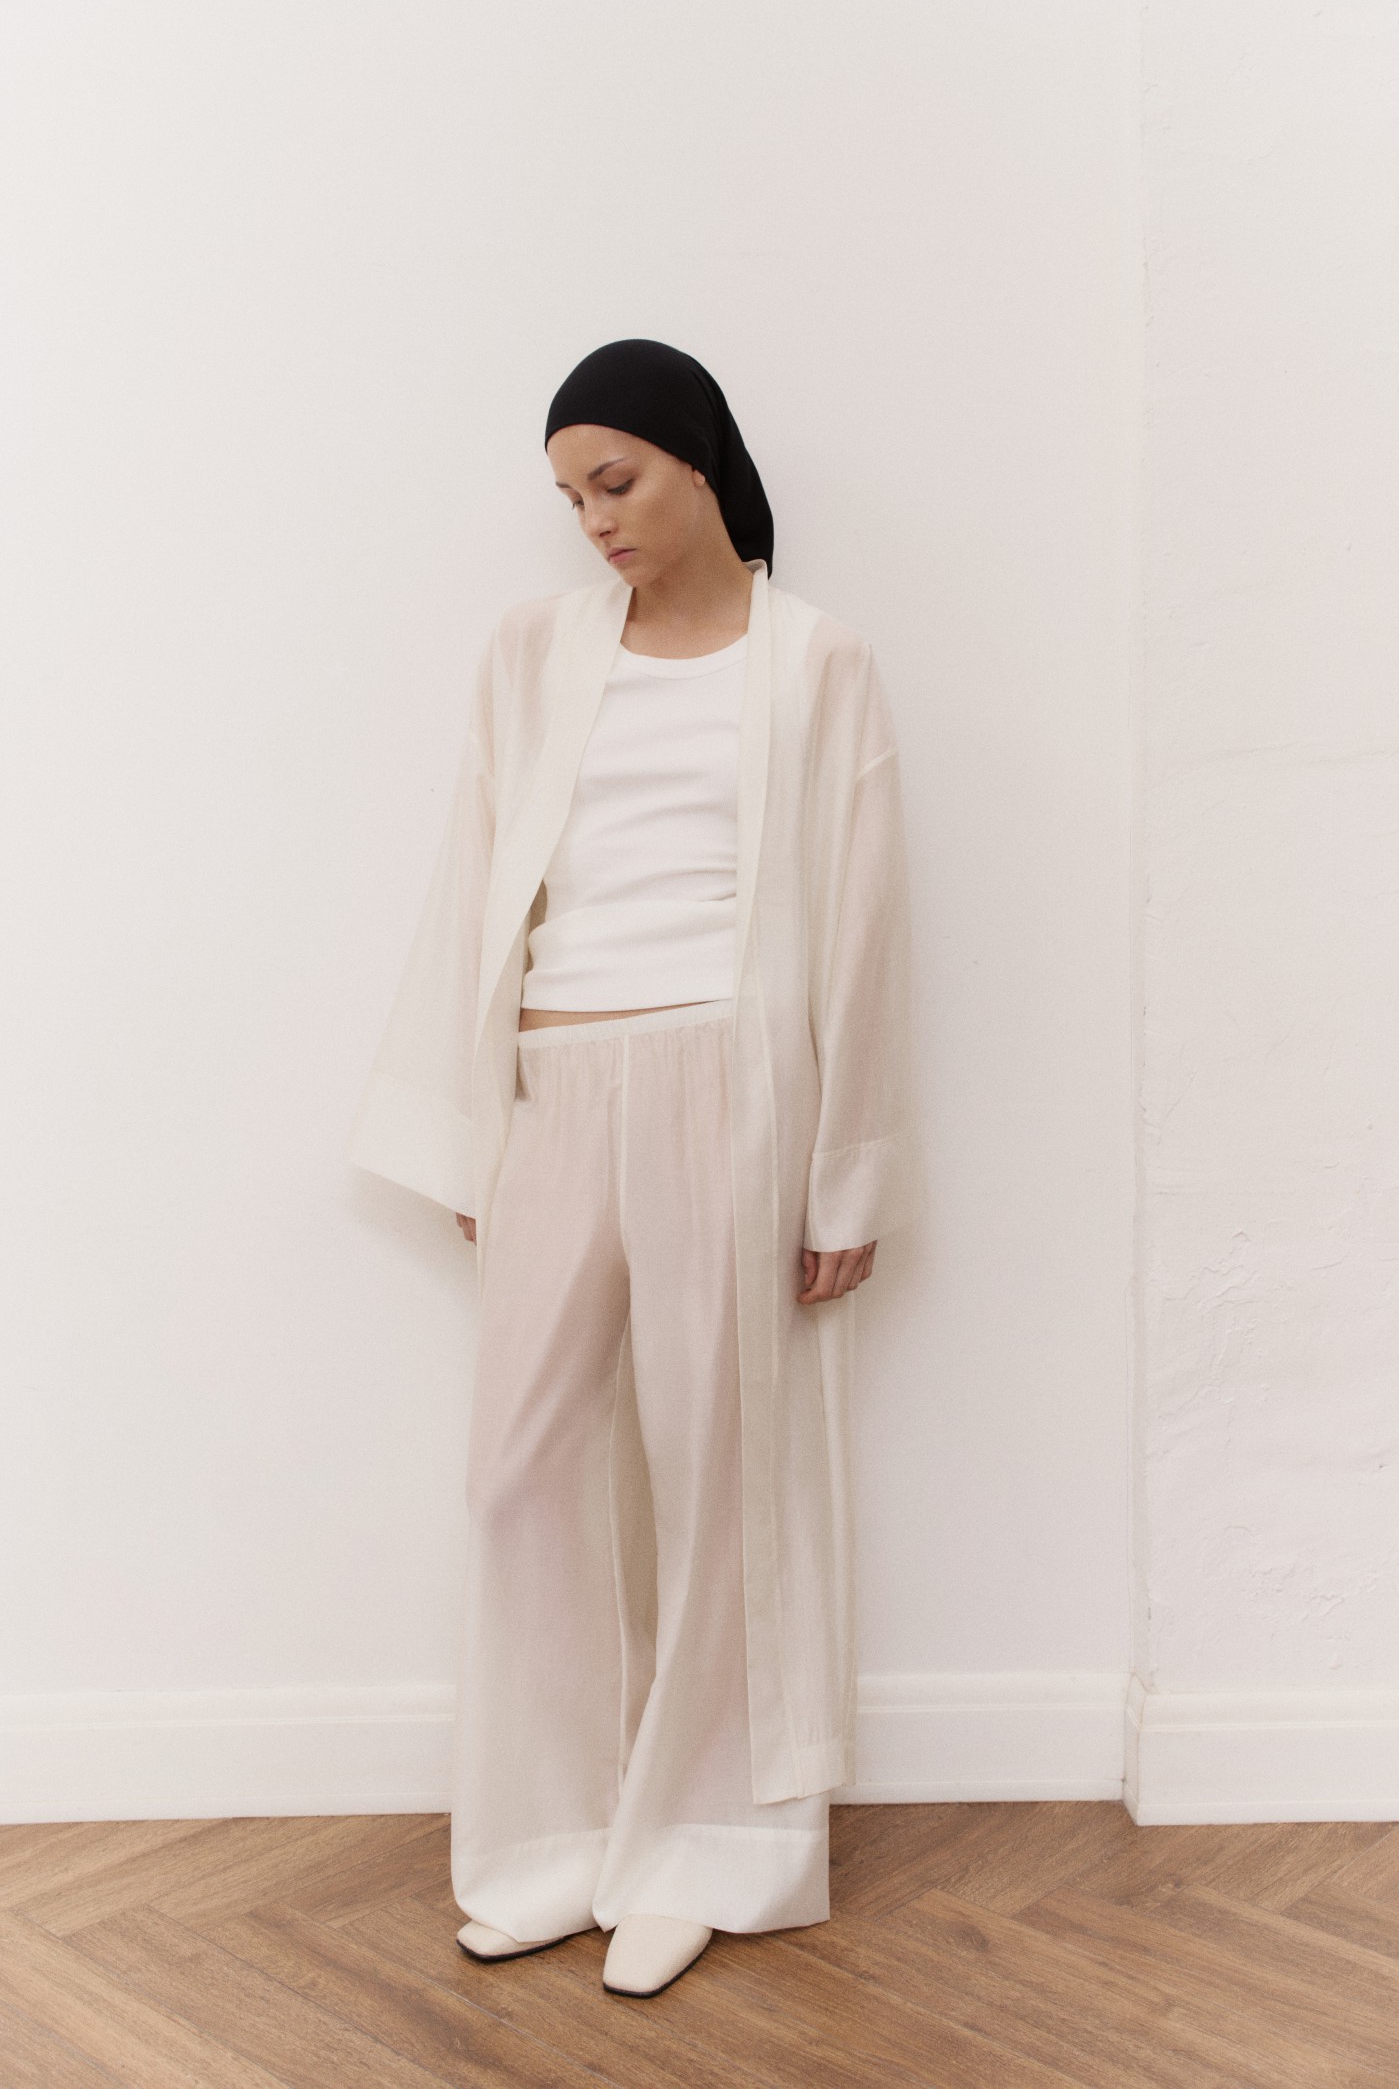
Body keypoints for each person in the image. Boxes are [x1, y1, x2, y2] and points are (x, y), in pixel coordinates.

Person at [349, 337, 924, 1998]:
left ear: (699, 461)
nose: (593, 518)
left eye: (616, 480)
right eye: (569, 496)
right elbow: (477, 871)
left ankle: (709, 1847)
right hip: (557, 1078)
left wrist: (846, 1175)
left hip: (730, 1082)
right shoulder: (532, 650)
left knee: (720, 1470)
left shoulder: (818, 662)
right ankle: (552, 1840)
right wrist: (473, 1120)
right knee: (516, 1471)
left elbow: (866, 920)